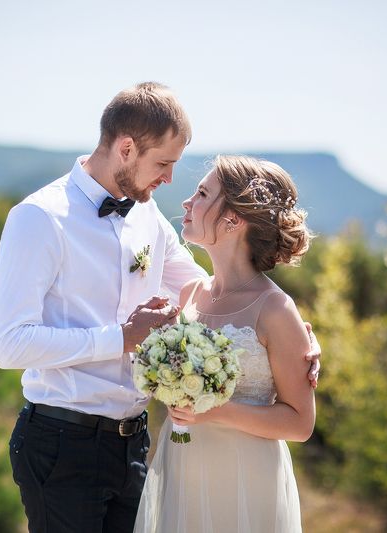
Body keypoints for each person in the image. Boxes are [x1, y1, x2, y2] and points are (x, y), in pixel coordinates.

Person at [0, 82, 321, 532]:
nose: (168, 179)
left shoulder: (147, 216)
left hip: (136, 447)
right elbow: (9, 345)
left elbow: (215, 296)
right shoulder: (40, 218)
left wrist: (293, 340)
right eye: (163, 163)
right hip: (62, 442)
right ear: (126, 148)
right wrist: (122, 338)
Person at [133, 155, 317, 533]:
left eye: (202, 194)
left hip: (244, 477)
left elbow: (300, 423)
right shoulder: (190, 293)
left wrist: (214, 411)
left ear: (233, 219)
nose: (187, 202)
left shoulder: (275, 308)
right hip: (181, 465)